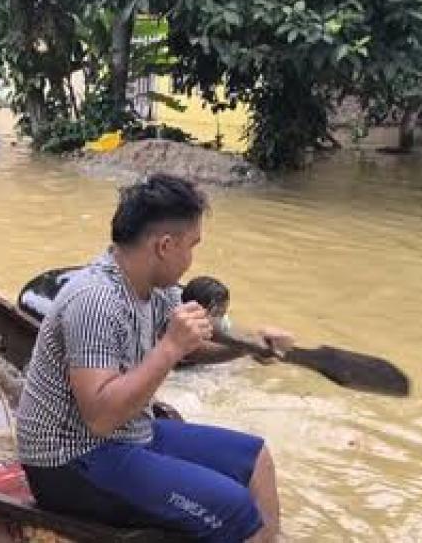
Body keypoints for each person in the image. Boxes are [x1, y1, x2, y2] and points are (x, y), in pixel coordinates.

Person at [16, 173, 293, 542]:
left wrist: (248, 346)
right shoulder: (96, 301)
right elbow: (100, 418)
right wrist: (169, 348)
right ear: (164, 245)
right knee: (237, 509)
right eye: (191, 246)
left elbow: (191, 344)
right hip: (71, 461)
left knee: (257, 460)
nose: (191, 260)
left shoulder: (151, 287)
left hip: (129, 434)